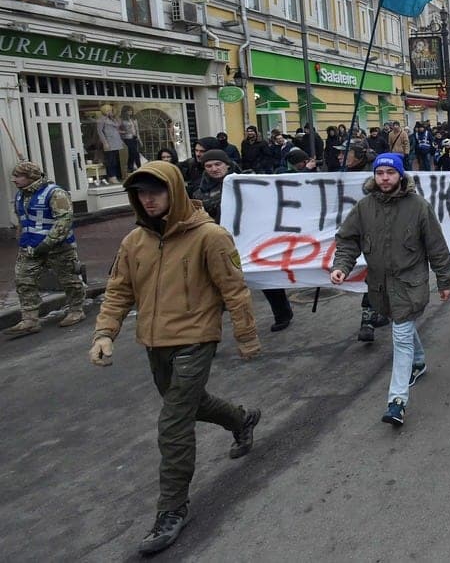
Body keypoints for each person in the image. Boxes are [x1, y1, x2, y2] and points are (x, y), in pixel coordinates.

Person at [89, 161, 261, 555]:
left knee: (174, 423)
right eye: (141, 193)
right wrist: (104, 333)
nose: (148, 200)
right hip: (155, 342)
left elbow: (235, 289)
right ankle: (241, 419)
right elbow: (118, 290)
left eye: (156, 192)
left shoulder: (210, 237)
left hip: (196, 339)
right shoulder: (134, 241)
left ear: (175, 192)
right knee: (188, 404)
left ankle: (171, 509)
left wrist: (246, 337)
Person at [330, 153, 450, 426]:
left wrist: (445, 282)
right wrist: (342, 266)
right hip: (379, 287)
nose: (384, 178)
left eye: (390, 172)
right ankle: (419, 362)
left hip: (410, 285)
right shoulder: (364, 207)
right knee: (403, 327)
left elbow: (437, 247)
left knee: (400, 337)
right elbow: (348, 240)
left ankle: (397, 401)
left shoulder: (418, 206)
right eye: (380, 173)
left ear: (400, 175)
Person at [6, 161, 87, 337]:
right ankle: (30, 319)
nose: (13, 180)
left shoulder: (55, 193)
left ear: (31, 177)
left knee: (68, 279)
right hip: (29, 247)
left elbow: (64, 221)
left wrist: (48, 242)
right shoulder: (21, 196)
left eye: (17, 176)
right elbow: (23, 221)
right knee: (23, 280)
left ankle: (76, 310)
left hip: (58, 247)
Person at [95, 104, 125, 183]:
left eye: (110, 110)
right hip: (109, 141)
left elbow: (119, 124)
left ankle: (115, 175)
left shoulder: (112, 119)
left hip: (116, 141)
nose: (110, 112)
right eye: (108, 110)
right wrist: (105, 142)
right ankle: (111, 176)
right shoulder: (101, 120)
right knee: (110, 160)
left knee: (115, 160)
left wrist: (114, 117)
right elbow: (100, 132)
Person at [119, 106, 142, 171]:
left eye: (131, 110)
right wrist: (124, 131)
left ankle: (130, 168)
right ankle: (140, 167)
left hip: (135, 137)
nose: (130, 112)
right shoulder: (121, 120)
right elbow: (116, 129)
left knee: (132, 153)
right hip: (127, 138)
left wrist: (139, 138)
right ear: (125, 111)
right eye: (129, 110)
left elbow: (137, 129)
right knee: (135, 152)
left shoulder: (134, 119)